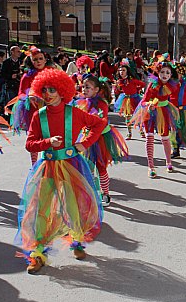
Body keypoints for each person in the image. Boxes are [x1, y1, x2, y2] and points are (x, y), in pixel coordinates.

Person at [16, 68, 107, 274]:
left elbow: (99, 124)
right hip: (48, 167)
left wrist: (84, 144)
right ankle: (38, 253)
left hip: (72, 166)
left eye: (52, 90)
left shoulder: (74, 112)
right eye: (44, 90)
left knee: (73, 204)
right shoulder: (39, 116)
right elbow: (30, 144)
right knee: (42, 209)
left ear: (62, 91)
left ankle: (76, 241)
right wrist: (47, 142)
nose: (47, 94)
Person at [73, 74, 129, 206]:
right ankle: (92, 192)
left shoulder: (101, 104)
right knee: (87, 167)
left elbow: (101, 122)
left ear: (96, 90)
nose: (84, 89)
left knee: (101, 166)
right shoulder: (82, 102)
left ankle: (105, 193)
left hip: (100, 138)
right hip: (87, 136)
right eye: (83, 87)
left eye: (88, 87)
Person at [130, 60, 180, 178]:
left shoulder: (171, 85)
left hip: (164, 112)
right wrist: (149, 104)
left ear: (171, 75)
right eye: (162, 72)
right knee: (150, 138)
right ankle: (151, 166)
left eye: (168, 72)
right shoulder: (152, 84)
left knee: (165, 138)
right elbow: (144, 100)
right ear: (158, 73)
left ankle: (168, 162)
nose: (165, 75)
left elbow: (174, 98)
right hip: (151, 112)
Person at [113, 61, 146, 139]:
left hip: (135, 98)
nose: (122, 72)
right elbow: (118, 90)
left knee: (138, 115)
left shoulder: (132, 80)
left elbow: (142, 84)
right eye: (120, 70)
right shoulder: (120, 81)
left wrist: (137, 89)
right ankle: (129, 133)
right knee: (127, 116)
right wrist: (117, 88)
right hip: (126, 99)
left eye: (123, 70)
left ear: (127, 71)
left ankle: (141, 130)